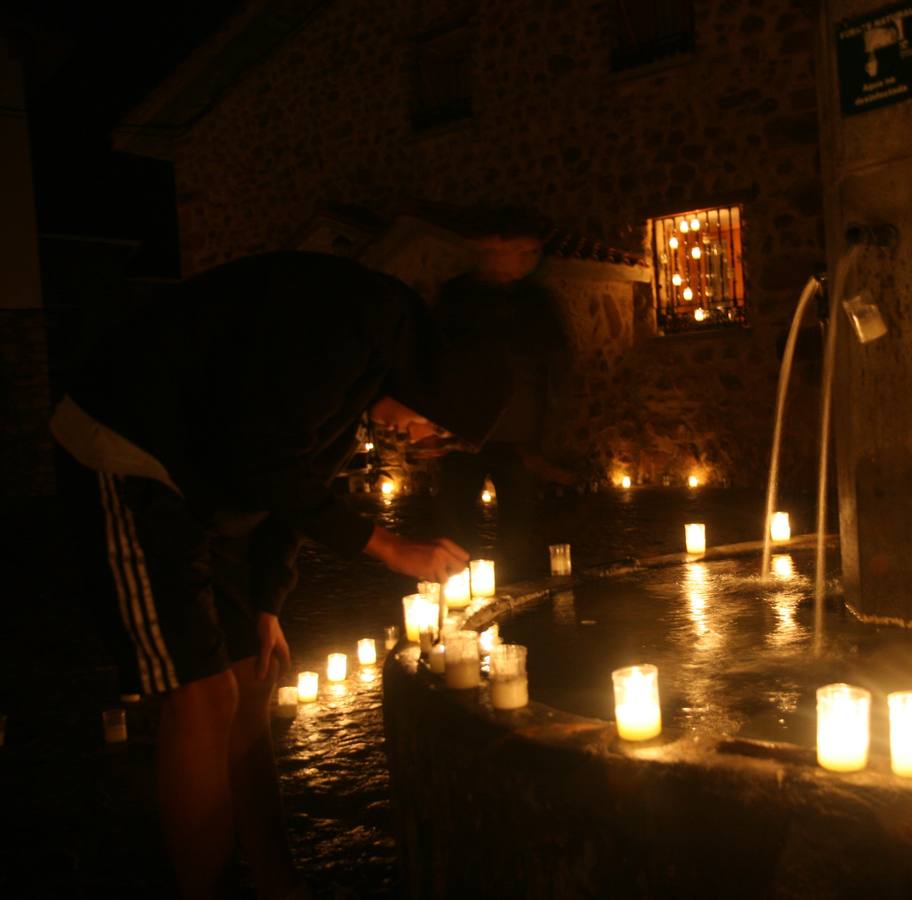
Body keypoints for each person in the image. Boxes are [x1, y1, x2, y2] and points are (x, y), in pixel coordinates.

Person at [49, 251, 508, 900]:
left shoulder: (363, 379)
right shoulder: (350, 326)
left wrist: (265, 603)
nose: (417, 438)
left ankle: (274, 881)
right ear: (437, 389)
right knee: (201, 696)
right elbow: (265, 455)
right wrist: (387, 545)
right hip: (130, 445)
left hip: (205, 482)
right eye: (433, 429)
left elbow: (297, 487)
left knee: (251, 678)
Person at [432, 213, 573, 581]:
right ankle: (455, 590)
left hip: (518, 437)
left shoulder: (536, 302)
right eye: (520, 252)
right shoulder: (457, 299)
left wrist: (546, 428)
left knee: (519, 529)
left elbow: (555, 365)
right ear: (492, 249)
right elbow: (437, 359)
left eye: (533, 253)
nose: (529, 260)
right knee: (455, 523)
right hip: (463, 433)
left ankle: (518, 597)